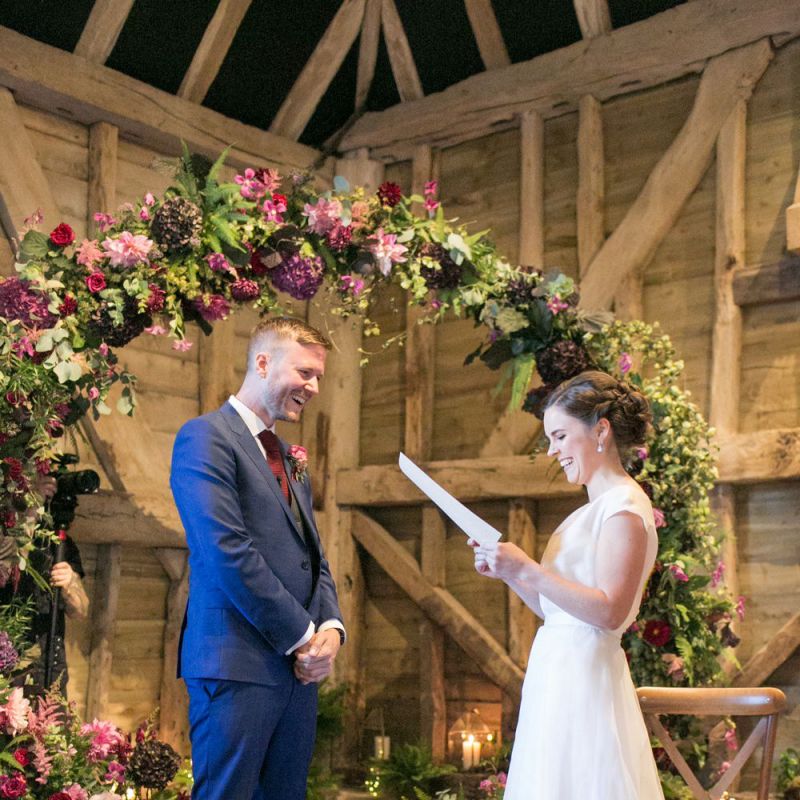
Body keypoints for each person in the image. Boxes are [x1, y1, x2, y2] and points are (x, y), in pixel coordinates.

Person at [170, 316, 345, 800]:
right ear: (263, 363)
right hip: (236, 665)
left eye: (319, 378)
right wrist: (304, 636)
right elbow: (227, 551)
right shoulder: (205, 437)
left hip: (296, 673)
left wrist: (331, 628)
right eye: (305, 372)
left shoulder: (289, 456)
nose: (313, 387)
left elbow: (313, 555)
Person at [471, 370, 664, 799]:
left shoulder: (624, 509)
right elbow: (558, 611)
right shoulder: (587, 512)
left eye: (559, 436)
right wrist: (510, 571)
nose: (552, 451)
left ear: (600, 430)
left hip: (586, 679)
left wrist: (530, 567)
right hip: (556, 675)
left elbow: (611, 610)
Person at [0, 474, 89, 697]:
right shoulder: (7, 533)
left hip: (50, 664)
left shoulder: (60, 543)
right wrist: (30, 508)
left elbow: (81, 610)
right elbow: (8, 562)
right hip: (9, 661)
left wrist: (70, 584)